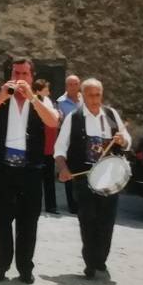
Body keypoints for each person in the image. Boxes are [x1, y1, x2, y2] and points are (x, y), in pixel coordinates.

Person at [0, 58, 60, 284]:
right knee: (2, 220)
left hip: (30, 170)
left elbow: (53, 122)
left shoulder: (41, 100)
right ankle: (2, 263)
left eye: (24, 74)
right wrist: (2, 96)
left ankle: (25, 267)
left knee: (28, 221)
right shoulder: (2, 98)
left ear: (32, 77)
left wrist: (33, 98)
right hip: (3, 169)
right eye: (16, 73)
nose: (20, 78)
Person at [54, 78, 132, 280]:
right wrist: (63, 168)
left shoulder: (111, 114)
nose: (95, 99)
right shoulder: (74, 117)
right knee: (88, 219)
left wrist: (123, 140)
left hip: (110, 175)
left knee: (107, 220)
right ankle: (90, 261)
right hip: (84, 176)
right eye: (90, 95)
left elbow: (127, 141)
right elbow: (60, 149)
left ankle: (100, 260)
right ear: (82, 95)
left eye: (98, 95)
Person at [56, 75, 82, 213]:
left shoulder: (84, 100)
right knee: (69, 170)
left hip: (82, 141)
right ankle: (72, 204)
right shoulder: (60, 102)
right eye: (70, 84)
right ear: (66, 86)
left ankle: (81, 201)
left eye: (76, 84)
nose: (73, 86)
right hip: (68, 141)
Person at [32, 79, 59, 214]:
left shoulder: (48, 101)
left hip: (49, 144)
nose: (48, 91)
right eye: (46, 88)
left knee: (49, 177)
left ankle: (51, 205)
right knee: (35, 178)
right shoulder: (34, 102)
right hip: (39, 144)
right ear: (38, 90)